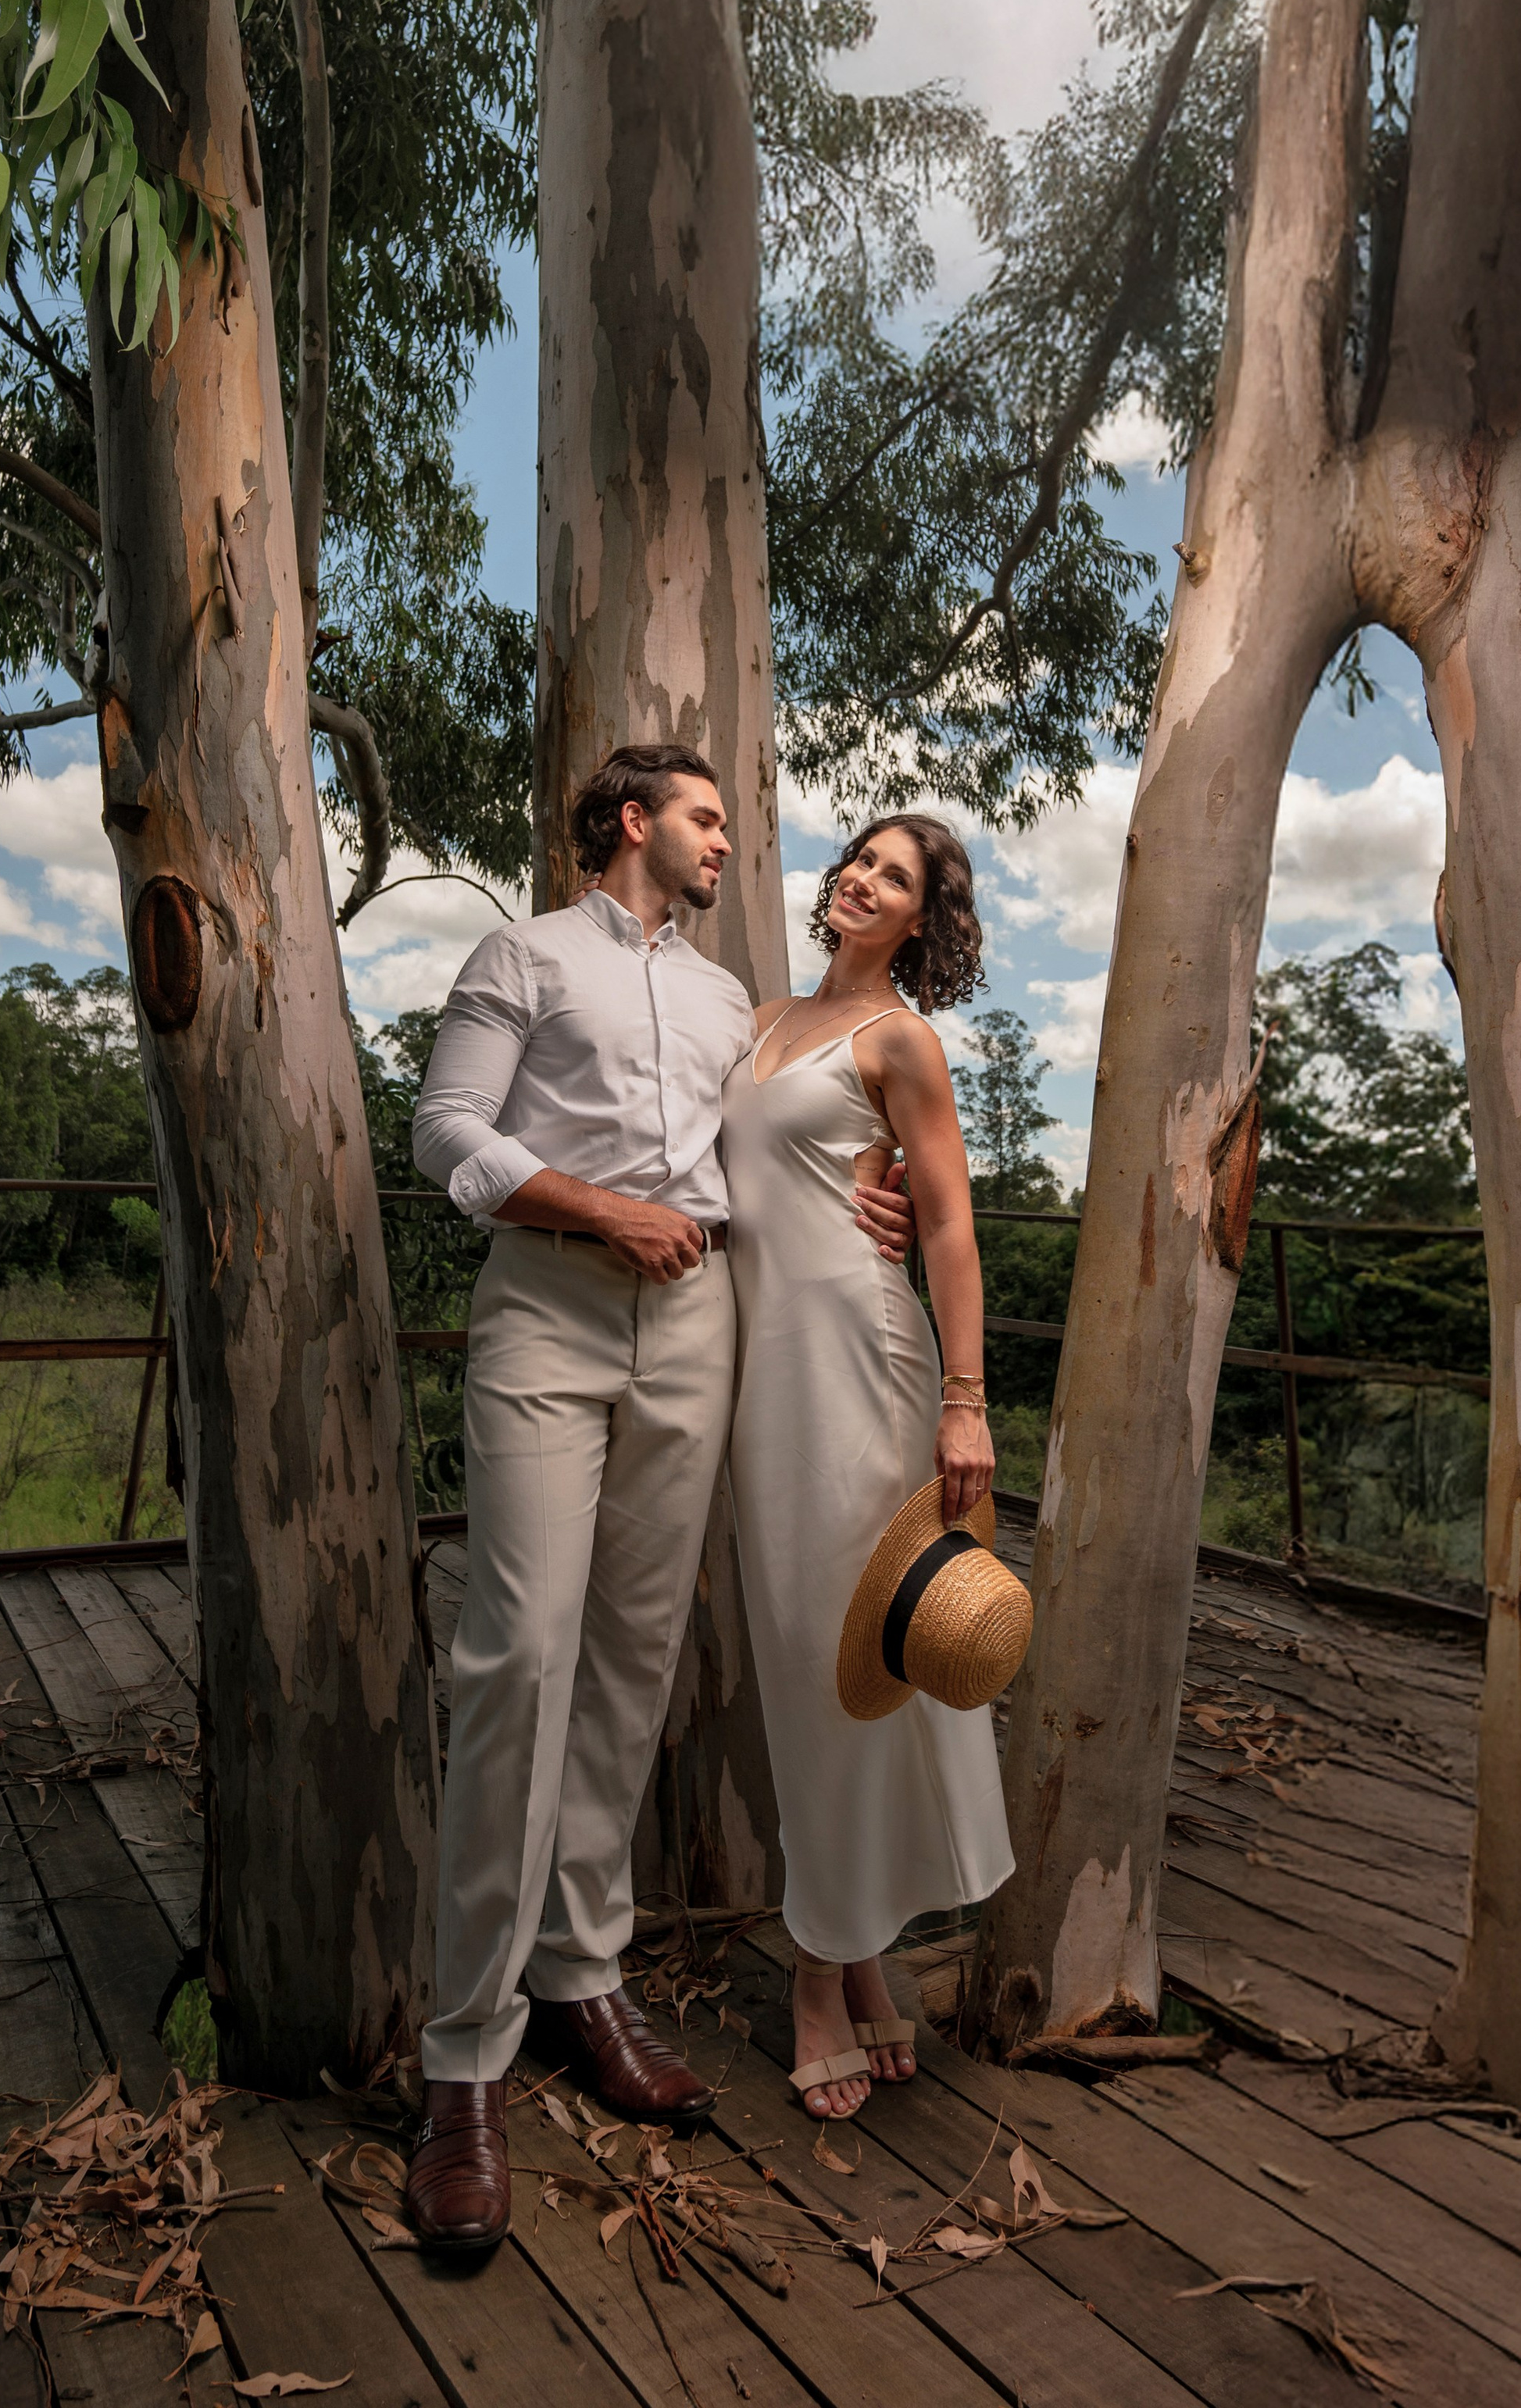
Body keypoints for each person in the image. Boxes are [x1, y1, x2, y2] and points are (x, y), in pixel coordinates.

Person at [405, 743, 911, 2253]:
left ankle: (581, 1979)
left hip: (699, 1327)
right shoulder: (523, 955)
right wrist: (604, 1210)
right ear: (634, 821)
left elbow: (785, 1137)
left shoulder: (728, 999)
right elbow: (447, 1134)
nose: (725, 841)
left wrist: (874, 1187)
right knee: (520, 1656)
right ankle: (464, 2059)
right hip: (548, 1309)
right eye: (706, 817)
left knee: (633, 1662)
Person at [723, 813, 1014, 2119]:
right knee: (803, 1655)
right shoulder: (761, 1022)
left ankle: (818, 1969)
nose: (862, 878)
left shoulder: (901, 1039)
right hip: (761, 1366)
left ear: (918, 919)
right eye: (860, 858)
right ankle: (860, 1952)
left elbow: (945, 1224)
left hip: (863, 1353)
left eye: (895, 876)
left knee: (857, 1659)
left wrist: (966, 1402)